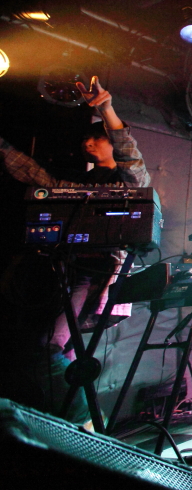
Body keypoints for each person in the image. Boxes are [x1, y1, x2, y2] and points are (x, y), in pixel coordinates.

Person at [0, 78, 152, 422]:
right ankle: (81, 422)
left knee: (52, 347)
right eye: (86, 138)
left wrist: (106, 110)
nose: (87, 142)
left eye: (97, 138)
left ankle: (83, 421)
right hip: (68, 272)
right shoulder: (79, 183)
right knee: (62, 348)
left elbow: (130, 156)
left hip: (97, 272)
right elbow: (35, 176)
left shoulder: (127, 181)